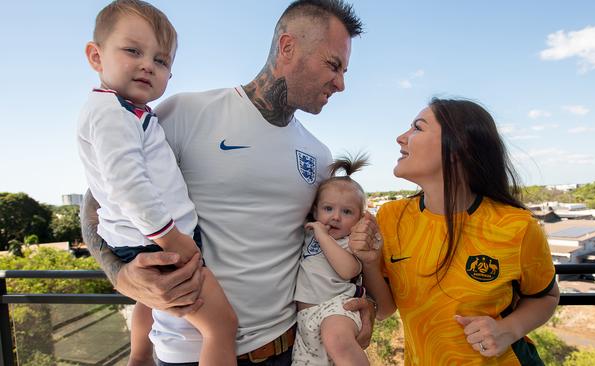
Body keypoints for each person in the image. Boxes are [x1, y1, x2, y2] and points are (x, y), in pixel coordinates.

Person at [80, 1, 378, 365]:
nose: (341, 83)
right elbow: (97, 202)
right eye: (333, 65)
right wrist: (120, 276)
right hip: (187, 353)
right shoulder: (187, 113)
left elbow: (323, 245)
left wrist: (360, 302)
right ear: (288, 47)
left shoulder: (318, 154)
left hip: (284, 349)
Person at [77, 1, 238, 365]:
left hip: (138, 242)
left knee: (147, 304)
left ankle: (139, 357)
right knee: (221, 327)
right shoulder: (113, 115)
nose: (148, 64)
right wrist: (171, 237)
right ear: (96, 55)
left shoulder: (121, 112)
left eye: (161, 60)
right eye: (133, 51)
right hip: (157, 243)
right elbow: (127, 186)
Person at [356, 98, 560, 365]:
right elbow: (386, 309)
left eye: (417, 128)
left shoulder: (516, 226)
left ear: (457, 149)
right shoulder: (392, 216)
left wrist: (509, 329)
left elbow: (546, 296)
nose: (400, 138)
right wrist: (370, 262)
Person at [293, 155, 370, 366]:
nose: (336, 217)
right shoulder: (310, 234)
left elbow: (348, 270)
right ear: (315, 210)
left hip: (337, 308)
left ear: (359, 219)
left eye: (347, 212)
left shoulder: (349, 242)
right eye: (328, 209)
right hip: (305, 317)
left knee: (338, 341)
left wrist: (323, 236)